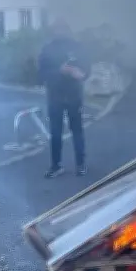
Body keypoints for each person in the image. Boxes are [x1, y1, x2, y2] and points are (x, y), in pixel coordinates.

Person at [37, 19, 90, 178]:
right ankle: (56, 165)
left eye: (62, 29)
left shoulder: (78, 48)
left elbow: (87, 69)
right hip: (55, 96)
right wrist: (61, 70)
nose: (60, 32)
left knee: (77, 131)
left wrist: (81, 74)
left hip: (74, 95)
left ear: (67, 30)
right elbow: (42, 74)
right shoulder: (47, 50)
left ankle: (81, 164)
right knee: (55, 132)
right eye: (57, 29)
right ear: (53, 31)